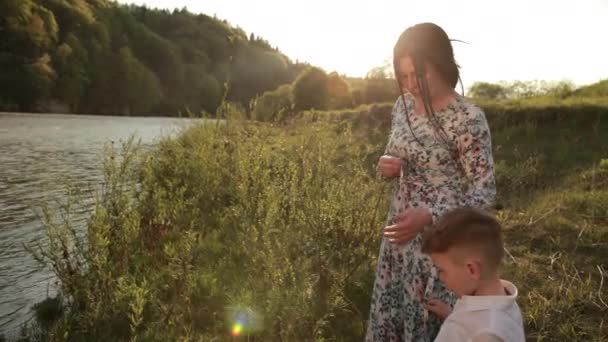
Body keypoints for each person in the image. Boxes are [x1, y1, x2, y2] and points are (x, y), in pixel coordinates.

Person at [366, 22, 496, 341]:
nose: (410, 85)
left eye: (417, 75)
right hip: (399, 242)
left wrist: (430, 215)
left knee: (430, 327)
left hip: (441, 248)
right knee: (390, 321)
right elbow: (396, 154)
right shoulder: (403, 107)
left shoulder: (468, 118)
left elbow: (484, 194)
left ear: (440, 65)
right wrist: (387, 166)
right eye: (403, 76)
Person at [421, 207, 525, 342]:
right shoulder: (503, 301)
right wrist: (451, 316)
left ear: (472, 270)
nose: (441, 277)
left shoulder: (487, 333)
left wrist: (457, 327)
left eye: (442, 270)